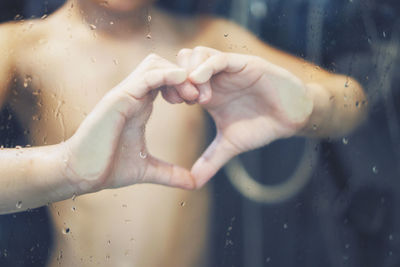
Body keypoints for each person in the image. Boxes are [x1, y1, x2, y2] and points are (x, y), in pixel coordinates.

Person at [0, 0, 366, 265]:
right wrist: (65, 166)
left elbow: (352, 101)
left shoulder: (207, 37)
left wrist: (308, 105)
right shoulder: (20, 46)